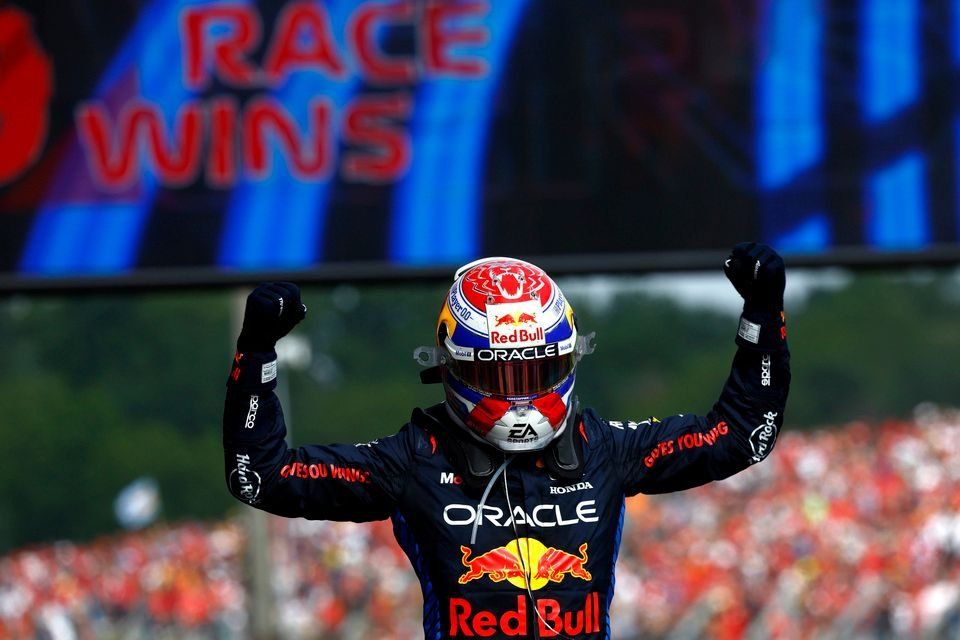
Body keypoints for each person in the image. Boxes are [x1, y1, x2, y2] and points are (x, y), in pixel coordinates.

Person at [223, 242, 790, 639]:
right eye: (501, 376)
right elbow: (260, 476)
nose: (521, 396)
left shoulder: (604, 448)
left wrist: (763, 318)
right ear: (452, 370)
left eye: (538, 371)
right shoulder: (414, 459)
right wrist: (256, 357)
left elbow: (742, 437)